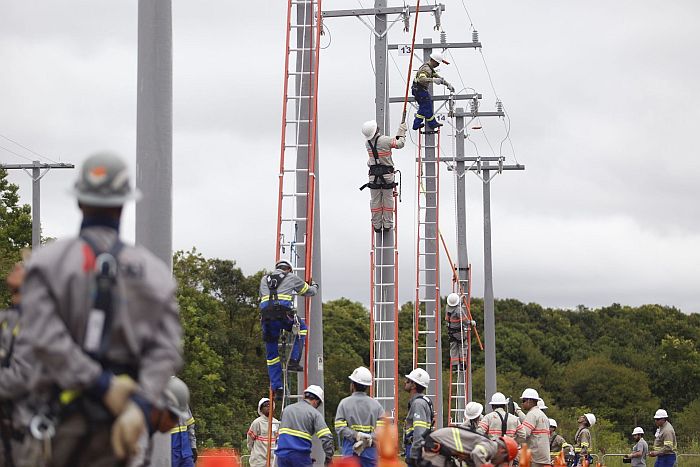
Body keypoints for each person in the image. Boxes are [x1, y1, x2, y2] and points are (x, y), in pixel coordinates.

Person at [17, 152, 183, 466]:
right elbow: (166, 350)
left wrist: (99, 383)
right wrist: (140, 404)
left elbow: (43, 337)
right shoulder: (154, 274)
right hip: (122, 427)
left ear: (80, 201)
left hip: (55, 425)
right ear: (124, 202)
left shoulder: (47, 264)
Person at [259, 260, 318, 400]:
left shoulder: (264, 279)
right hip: (283, 316)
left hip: (266, 319)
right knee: (302, 328)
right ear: (289, 269)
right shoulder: (291, 277)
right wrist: (314, 285)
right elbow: (308, 291)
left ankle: (277, 387)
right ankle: (294, 360)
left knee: (271, 354)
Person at [0, 257, 34, 467]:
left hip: (21, 430)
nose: (16, 267)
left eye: (22, 267)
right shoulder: (6, 318)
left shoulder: (38, 324)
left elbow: (22, 376)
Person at [359, 120, 407, 232]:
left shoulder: (367, 143)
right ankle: (387, 224)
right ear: (376, 130)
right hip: (387, 176)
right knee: (388, 200)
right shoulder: (385, 140)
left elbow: (371, 160)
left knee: (375, 201)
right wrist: (402, 131)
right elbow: (400, 143)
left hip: (373, 176)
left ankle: (376, 225)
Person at [335, 367, 385, 467]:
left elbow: (339, 427)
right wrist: (370, 437)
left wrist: (356, 435)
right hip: (370, 451)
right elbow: (382, 429)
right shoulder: (376, 405)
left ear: (353, 385)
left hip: (350, 449)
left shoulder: (344, 403)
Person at [276, 385, 333, 466]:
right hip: (300, 456)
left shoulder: (287, 409)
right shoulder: (314, 413)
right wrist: (329, 457)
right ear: (316, 401)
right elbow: (326, 436)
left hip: (282, 456)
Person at [419, 428, 518, 467]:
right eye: (505, 459)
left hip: (438, 447)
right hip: (436, 448)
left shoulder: (487, 444)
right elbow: (477, 453)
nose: (500, 464)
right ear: (502, 450)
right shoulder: (491, 447)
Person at [411, 51, 454, 132]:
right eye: (437, 63)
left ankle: (425, 123)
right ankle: (423, 124)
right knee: (426, 106)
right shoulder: (426, 69)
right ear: (433, 60)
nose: (438, 65)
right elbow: (421, 79)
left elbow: (439, 78)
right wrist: (433, 80)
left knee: (426, 106)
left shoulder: (430, 68)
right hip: (419, 90)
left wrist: (447, 84)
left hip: (419, 90)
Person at [404, 368, 433, 466]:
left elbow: (419, 431)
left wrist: (414, 456)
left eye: (408, 381)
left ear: (414, 385)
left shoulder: (418, 404)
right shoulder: (423, 401)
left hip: (416, 450)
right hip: (419, 449)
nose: (405, 382)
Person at [514, 388, 550, 467]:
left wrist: (512, 440)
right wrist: (518, 411)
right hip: (544, 457)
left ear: (529, 400)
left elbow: (524, 433)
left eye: (523, 401)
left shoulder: (532, 414)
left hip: (534, 457)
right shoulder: (543, 416)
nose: (522, 403)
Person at [169, 377, 197, 467]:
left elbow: (190, 425)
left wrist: (193, 446)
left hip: (186, 452)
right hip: (169, 452)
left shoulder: (183, 404)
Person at [247, 398, 280, 467]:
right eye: (265, 405)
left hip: (272, 459)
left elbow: (278, 440)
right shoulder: (257, 422)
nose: (268, 407)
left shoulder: (276, 422)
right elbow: (250, 440)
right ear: (261, 409)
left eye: (270, 405)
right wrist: (252, 451)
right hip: (259, 460)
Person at [444, 293, 470, 370]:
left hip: (450, 331)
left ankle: (455, 364)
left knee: (453, 347)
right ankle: (462, 363)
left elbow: (455, 307)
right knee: (462, 346)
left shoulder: (447, 307)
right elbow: (465, 321)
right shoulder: (459, 310)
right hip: (459, 332)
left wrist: (461, 301)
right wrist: (471, 323)